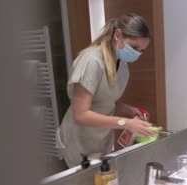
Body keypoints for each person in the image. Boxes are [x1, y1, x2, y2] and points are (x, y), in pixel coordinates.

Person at [56, 13, 156, 168]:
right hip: (77, 143)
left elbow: (107, 100)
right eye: (135, 47)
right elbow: (80, 115)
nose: (137, 53)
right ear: (118, 35)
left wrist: (131, 110)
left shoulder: (121, 65)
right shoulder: (92, 61)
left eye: (142, 50)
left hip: (99, 143)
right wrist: (127, 123)